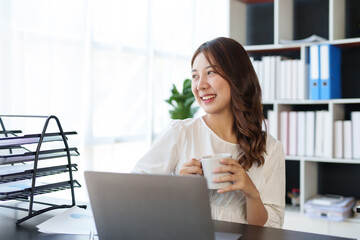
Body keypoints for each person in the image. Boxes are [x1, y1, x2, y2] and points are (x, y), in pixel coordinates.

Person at [132, 37, 285, 228]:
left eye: (210, 72)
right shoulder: (181, 132)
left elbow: (271, 228)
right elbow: (135, 195)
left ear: (236, 77)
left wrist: (251, 193)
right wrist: (177, 187)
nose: (200, 85)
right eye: (195, 76)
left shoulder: (270, 148)